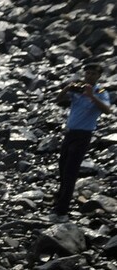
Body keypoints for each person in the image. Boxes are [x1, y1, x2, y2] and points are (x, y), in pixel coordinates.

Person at [49, 62, 111, 223]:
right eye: (87, 73)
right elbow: (57, 100)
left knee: (70, 172)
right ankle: (59, 201)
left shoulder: (101, 91)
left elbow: (107, 110)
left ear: (99, 76)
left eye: (93, 74)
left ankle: (61, 211)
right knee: (63, 169)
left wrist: (91, 96)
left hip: (83, 135)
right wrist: (67, 88)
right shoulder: (78, 88)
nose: (89, 76)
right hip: (69, 133)